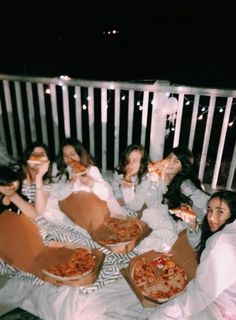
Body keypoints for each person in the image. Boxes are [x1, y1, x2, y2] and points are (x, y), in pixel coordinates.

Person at [148, 189, 236, 319]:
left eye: (220, 211)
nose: (211, 217)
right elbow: (204, 246)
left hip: (223, 309)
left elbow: (198, 296)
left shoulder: (221, 244)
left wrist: (159, 316)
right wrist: (193, 225)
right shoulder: (227, 233)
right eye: (210, 210)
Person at [53, 137, 125, 217]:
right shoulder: (65, 171)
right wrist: (71, 182)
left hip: (100, 207)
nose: (69, 159)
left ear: (80, 154)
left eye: (72, 154)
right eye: (65, 155)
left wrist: (90, 182)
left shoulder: (91, 170)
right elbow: (59, 196)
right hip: (82, 211)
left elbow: (107, 194)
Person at [160, 146, 210, 233]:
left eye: (176, 162)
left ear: (182, 168)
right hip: (173, 221)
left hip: (192, 225)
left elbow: (208, 202)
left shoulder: (185, 185)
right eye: (169, 158)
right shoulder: (160, 177)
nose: (169, 163)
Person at [111, 144, 165, 217]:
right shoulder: (120, 172)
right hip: (126, 208)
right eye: (128, 160)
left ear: (143, 162)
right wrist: (119, 196)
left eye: (135, 160)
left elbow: (136, 206)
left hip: (142, 208)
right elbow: (115, 185)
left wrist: (127, 185)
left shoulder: (147, 179)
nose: (130, 164)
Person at [18, 141, 52, 215]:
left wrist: (39, 178)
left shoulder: (46, 183)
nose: (38, 158)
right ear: (27, 157)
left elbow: (39, 211)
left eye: (42, 155)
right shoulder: (16, 176)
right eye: (34, 154)